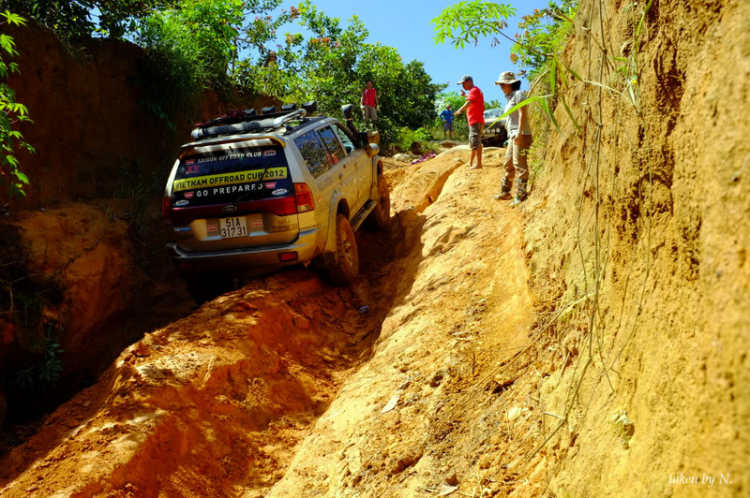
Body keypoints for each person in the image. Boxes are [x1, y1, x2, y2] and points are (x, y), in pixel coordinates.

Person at [493, 71, 533, 206]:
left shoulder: (518, 95)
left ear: (510, 84)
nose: (501, 87)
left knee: (519, 164)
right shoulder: (509, 97)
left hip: (521, 134)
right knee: (508, 164)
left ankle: (521, 196)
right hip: (513, 135)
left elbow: (523, 114)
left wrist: (520, 132)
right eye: (501, 84)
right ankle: (505, 192)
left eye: (503, 84)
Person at [453, 75, 485, 170]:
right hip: (476, 121)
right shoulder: (475, 91)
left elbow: (470, 102)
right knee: (473, 142)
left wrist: (460, 110)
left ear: (469, 81)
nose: (463, 86)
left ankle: (478, 164)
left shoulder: (474, 90)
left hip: (475, 120)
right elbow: (472, 98)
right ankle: (471, 162)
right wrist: (464, 95)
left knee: (475, 141)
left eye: (464, 83)